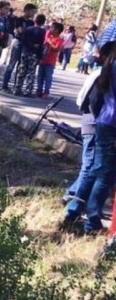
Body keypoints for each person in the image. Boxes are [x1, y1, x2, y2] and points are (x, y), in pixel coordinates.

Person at [63, 41, 116, 234]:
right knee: (106, 176)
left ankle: (73, 211)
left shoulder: (110, 66)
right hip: (112, 125)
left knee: (95, 169)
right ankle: (92, 221)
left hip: (104, 122)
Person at [2, 4, 37, 93]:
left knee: (21, 66)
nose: (33, 14)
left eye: (34, 12)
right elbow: (20, 30)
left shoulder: (32, 23)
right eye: (32, 11)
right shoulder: (19, 20)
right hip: (18, 42)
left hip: (26, 44)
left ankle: (16, 86)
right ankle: (4, 85)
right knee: (12, 63)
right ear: (26, 10)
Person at [14, 14, 47, 97]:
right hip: (34, 54)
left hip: (25, 52)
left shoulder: (28, 29)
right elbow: (41, 45)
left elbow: (23, 40)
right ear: (43, 22)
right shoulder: (43, 32)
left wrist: (27, 46)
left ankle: (17, 88)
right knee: (31, 73)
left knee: (21, 70)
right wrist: (40, 57)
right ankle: (28, 91)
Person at [36, 22, 63, 98]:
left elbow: (56, 49)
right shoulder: (49, 37)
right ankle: (39, 90)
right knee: (40, 76)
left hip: (50, 61)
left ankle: (46, 92)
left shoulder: (59, 40)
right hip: (43, 59)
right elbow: (45, 40)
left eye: (52, 28)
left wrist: (50, 42)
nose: (51, 29)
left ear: (57, 30)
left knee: (48, 78)